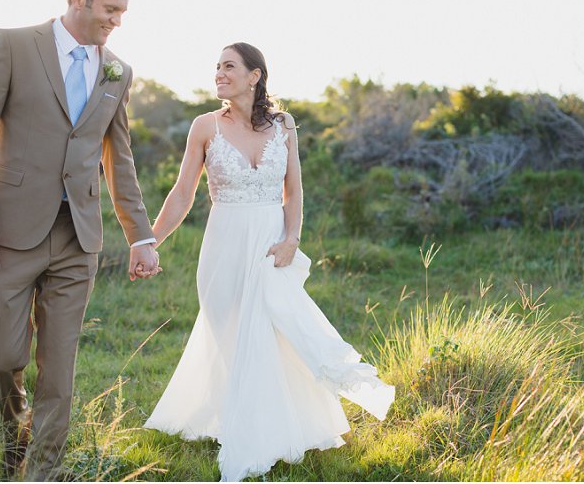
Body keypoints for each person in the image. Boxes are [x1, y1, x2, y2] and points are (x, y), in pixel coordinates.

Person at [143, 42, 395, 481]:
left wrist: (292, 239)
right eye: (216, 67)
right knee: (231, 336)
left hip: (272, 245)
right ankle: (241, 422)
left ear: (254, 75)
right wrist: (149, 242)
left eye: (229, 66)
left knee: (272, 335)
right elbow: (182, 194)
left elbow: (293, 191)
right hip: (224, 247)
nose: (219, 74)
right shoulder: (204, 126)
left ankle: (266, 431)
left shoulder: (284, 125)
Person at [0, 0, 160, 480]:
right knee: (3, 359)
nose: (117, 20)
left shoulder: (118, 71)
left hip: (78, 238)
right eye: (110, 8)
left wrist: (140, 236)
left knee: (59, 366)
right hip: (6, 232)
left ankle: (43, 471)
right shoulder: (12, 45)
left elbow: (120, 160)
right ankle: (14, 438)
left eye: (123, 11)